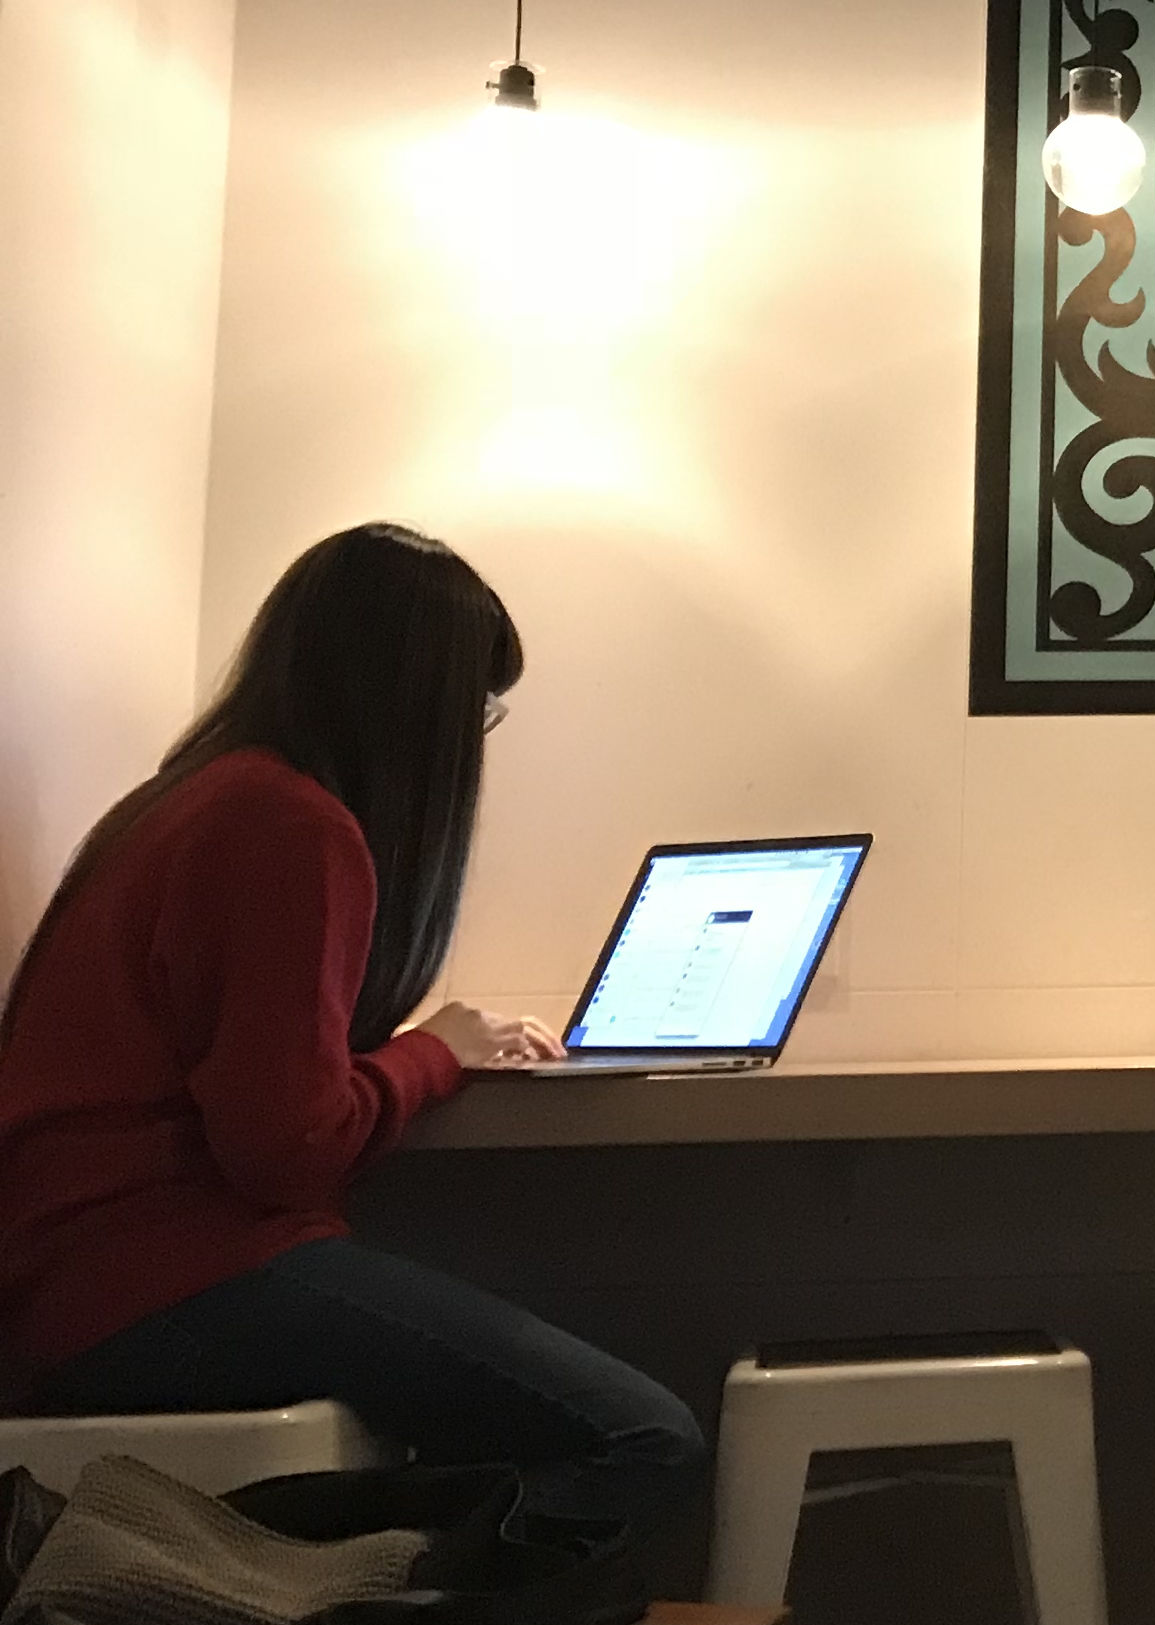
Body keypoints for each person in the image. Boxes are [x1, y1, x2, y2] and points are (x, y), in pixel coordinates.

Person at [0, 524, 705, 1561]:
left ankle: (337, 1582)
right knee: (644, 1441)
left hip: (73, 1289)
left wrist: (414, 1054)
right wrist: (435, 1054)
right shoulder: (289, 825)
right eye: (478, 710)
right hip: (161, 1283)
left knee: (492, 1442)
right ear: (420, 706)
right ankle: (347, 1610)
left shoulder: (187, 802)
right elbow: (288, 1148)